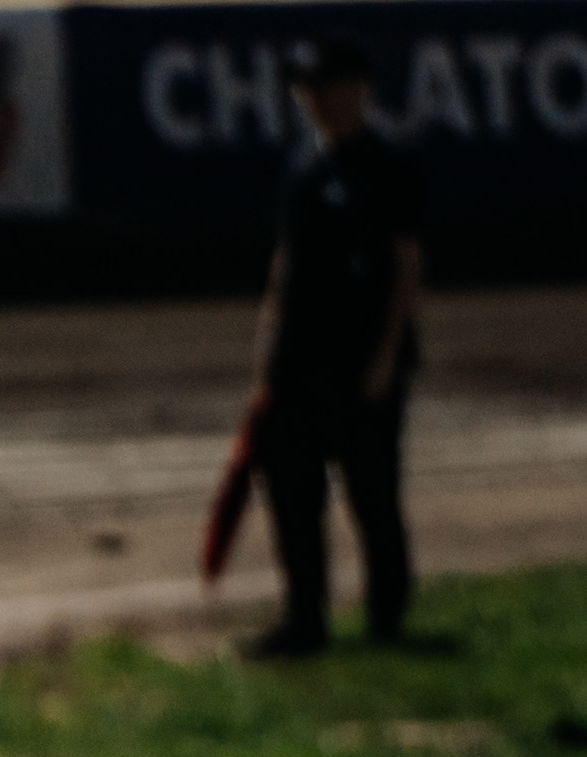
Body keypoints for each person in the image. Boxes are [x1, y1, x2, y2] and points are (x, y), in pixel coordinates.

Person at [243, 34, 425, 658]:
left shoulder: (388, 165)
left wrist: (386, 357)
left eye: (324, 87)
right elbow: (286, 263)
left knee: (372, 492)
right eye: (306, 89)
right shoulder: (305, 167)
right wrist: (266, 355)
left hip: (361, 359)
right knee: (293, 491)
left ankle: (387, 616)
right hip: (299, 360)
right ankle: (305, 617)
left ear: (358, 90)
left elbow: (406, 264)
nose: (314, 99)